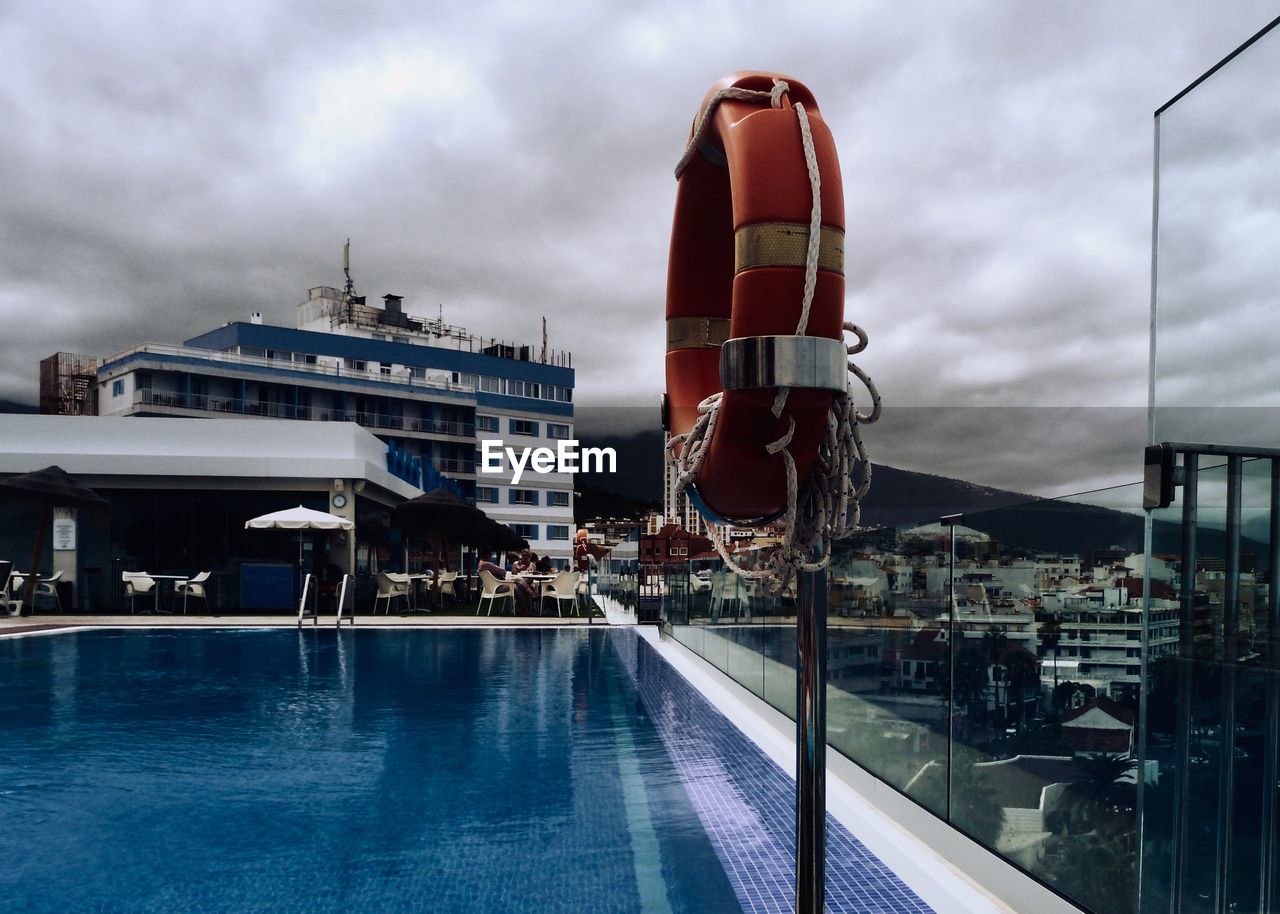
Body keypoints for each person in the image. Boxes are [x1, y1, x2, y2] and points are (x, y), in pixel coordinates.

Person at [478, 547, 533, 614]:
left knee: (519, 585)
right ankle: (527, 609)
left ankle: (524, 609)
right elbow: (503, 572)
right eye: (491, 555)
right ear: (488, 555)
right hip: (496, 587)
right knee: (516, 587)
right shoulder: (486, 564)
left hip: (490, 587)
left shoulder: (480, 563)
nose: (491, 556)